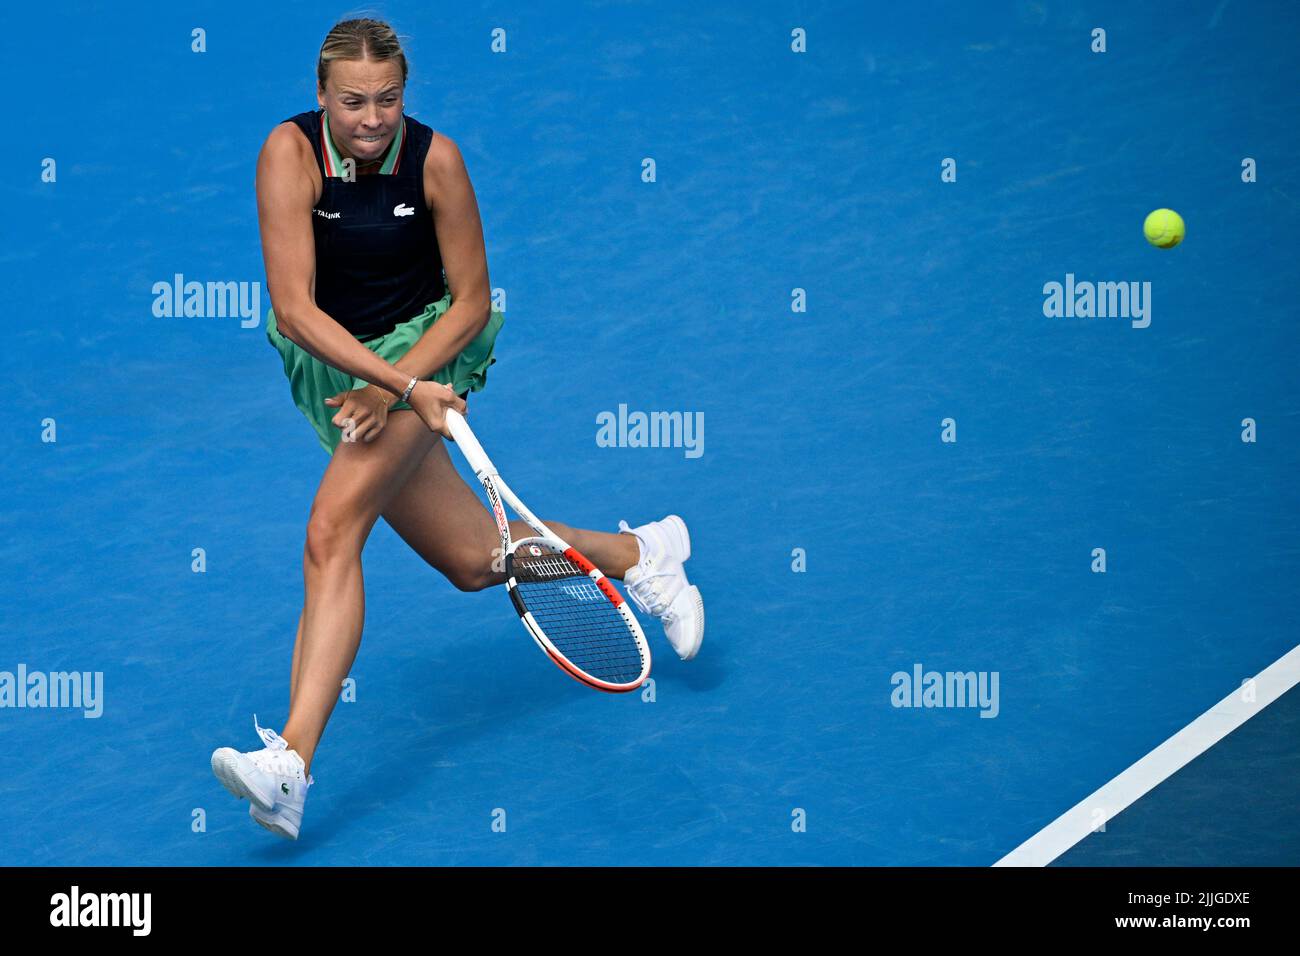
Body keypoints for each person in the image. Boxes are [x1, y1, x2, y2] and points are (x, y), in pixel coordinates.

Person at [210, 18, 704, 840]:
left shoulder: (436, 162)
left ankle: (290, 764)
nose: (372, 118)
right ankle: (643, 552)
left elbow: (474, 301)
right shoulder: (287, 155)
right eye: (353, 102)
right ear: (320, 96)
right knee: (478, 562)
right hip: (348, 370)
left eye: (389, 99)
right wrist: (386, 387)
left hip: (431, 350)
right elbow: (295, 310)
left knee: (332, 531)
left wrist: (410, 387)